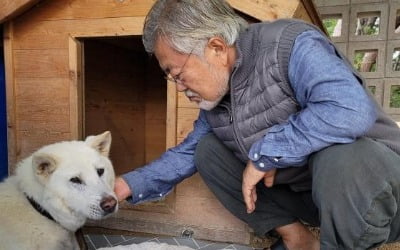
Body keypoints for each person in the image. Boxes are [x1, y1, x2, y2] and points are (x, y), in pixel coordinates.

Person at [114, 0, 400, 249]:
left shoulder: (289, 44)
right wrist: (126, 185)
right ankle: (299, 240)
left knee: (343, 157)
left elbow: (348, 108)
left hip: (381, 198)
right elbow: (185, 155)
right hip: (317, 201)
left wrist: (267, 154)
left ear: (216, 47)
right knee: (207, 150)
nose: (178, 87)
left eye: (177, 74)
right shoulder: (216, 102)